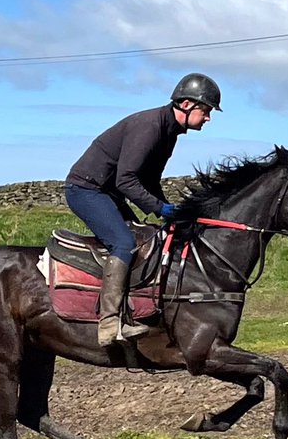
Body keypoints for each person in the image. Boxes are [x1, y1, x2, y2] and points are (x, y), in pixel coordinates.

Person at [65, 72, 221, 346]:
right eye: (206, 110)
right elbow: (126, 179)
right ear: (186, 105)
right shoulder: (149, 126)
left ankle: (133, 313)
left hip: (107, 192)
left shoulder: (169, 132)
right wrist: (161, 209)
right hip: (86, 190)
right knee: (124, 243)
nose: (208, 118)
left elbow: (148, 180)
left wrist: (171, 211)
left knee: (144, 239)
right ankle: (109, 324)